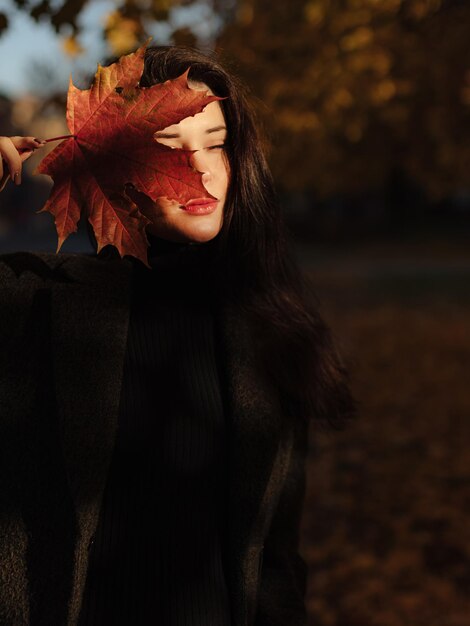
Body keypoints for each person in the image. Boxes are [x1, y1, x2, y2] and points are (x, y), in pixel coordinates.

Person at [0, 46, 356, 626]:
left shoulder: (273, 327)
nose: (202, 170)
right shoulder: (32, 300)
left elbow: (275, 556)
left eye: (217, 144)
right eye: (169, 150)